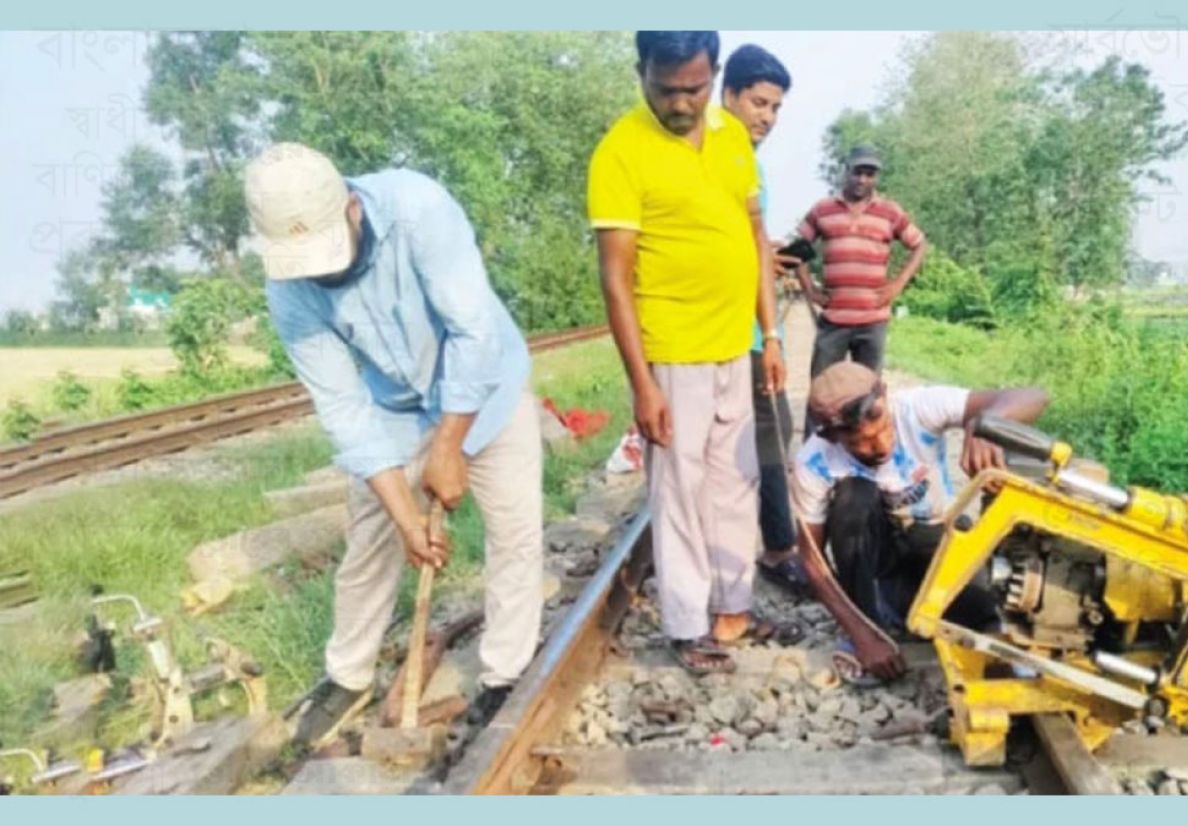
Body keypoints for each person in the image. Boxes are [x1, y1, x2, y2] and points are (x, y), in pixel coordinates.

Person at [245, 142, 544, 745]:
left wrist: (450, 447)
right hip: (397, 408)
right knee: (370, 540)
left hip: (487, 384)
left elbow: (471, 329)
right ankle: (348, 676)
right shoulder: (289, 288)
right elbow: (343, 407)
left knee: (514, 535)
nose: (319, 274)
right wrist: (408, 517)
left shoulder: (419, 209)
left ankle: (505, 675)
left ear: (353, 209)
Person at [588, 31, 799, 676]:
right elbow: (615, 279)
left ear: (713, 75)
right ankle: (685, 625)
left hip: (737, 343)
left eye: (695, 87)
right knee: (680, 490)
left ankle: (733, 609)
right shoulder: (620, 153)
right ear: (640, 72)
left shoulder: (732, 136)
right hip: (674, 352)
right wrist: (642, 384)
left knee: (738, 481)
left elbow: (757, 239)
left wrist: (771, 336)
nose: (681, 103)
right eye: (666, 88)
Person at [790, 362, 1049, 684]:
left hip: (936, 539)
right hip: (878, 554)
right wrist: (861, 635)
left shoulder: (917, 408)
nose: (881, 447)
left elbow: (1034, 396)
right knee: (854, 495)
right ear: (831, 437)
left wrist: (986, 424)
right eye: (860, 444)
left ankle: (915, 608)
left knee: (981, 613)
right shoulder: (813, 462)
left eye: (883, 428)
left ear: (884, 396)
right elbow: (812, 559)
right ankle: (871, 620)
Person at [719, 43, 808, 597]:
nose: (767, 118)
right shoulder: (722, 154)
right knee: (772, 436)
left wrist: (766, 257)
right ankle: (778, 550)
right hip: (737, 332)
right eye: (758, 103)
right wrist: (771, 336)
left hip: (746, 328)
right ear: (727, 93)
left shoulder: (741, 159)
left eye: (775, 108)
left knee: (770, 433)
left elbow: (742, 245)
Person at [795, 145, 927, 432]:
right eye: (858, 172)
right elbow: (797, 250)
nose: (863, 180)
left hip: (873, 321)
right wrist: (810, 290)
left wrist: (897, 284)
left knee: (868, 395)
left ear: (875, 178)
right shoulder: (823, 210)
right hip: (834, 321)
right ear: (847, 171)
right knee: (823, 392)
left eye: (870, 174)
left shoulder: (889, 212)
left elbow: (919, 245)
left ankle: (864, 458)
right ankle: (814, 460)